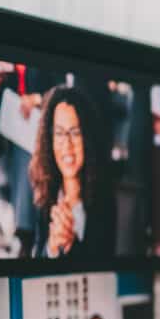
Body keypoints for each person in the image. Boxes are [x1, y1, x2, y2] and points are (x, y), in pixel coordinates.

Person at [29, 86, 116, 260]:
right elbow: (34, 263)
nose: (67, 145)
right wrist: (52, 247)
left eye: (75, 133)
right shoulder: (43, 197)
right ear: (49, 140)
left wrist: (70, 242)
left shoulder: (108, 199)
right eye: (59, 133)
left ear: (87, 138)